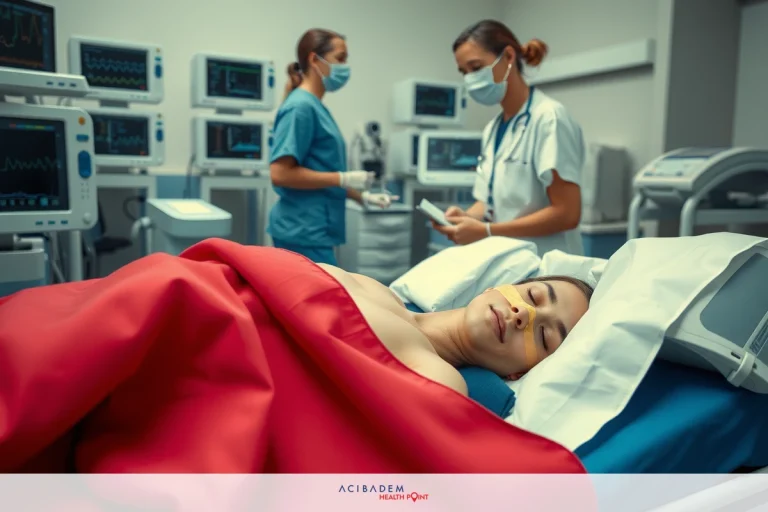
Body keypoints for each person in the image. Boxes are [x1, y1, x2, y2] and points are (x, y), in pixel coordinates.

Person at [318, 261, 593, 395]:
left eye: (544, 335)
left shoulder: (439, 383)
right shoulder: (380, 291)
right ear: (497, 287)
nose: (523, 313)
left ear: (518, 372)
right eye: (533, 296)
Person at [434, 20, 586, 256]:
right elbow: (488, 203)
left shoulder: (549, 118)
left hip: (548, 266)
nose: (470, 80)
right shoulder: (493, 129)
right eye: (464, 72)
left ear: (508, 57)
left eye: (476, 68)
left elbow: (567, 213)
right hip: (508, 261)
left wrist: (487, 230)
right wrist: (466, 218)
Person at [268, 28, 396, 265]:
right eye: (340, 58)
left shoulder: (314, 106)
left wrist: (363, 197)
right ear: (315, 59)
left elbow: (321, 171)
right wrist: (342, 178)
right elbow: (280, 173)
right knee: (326, 298)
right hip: (303, 230)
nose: (345, 66)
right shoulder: (300, 107)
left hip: (314, 229)